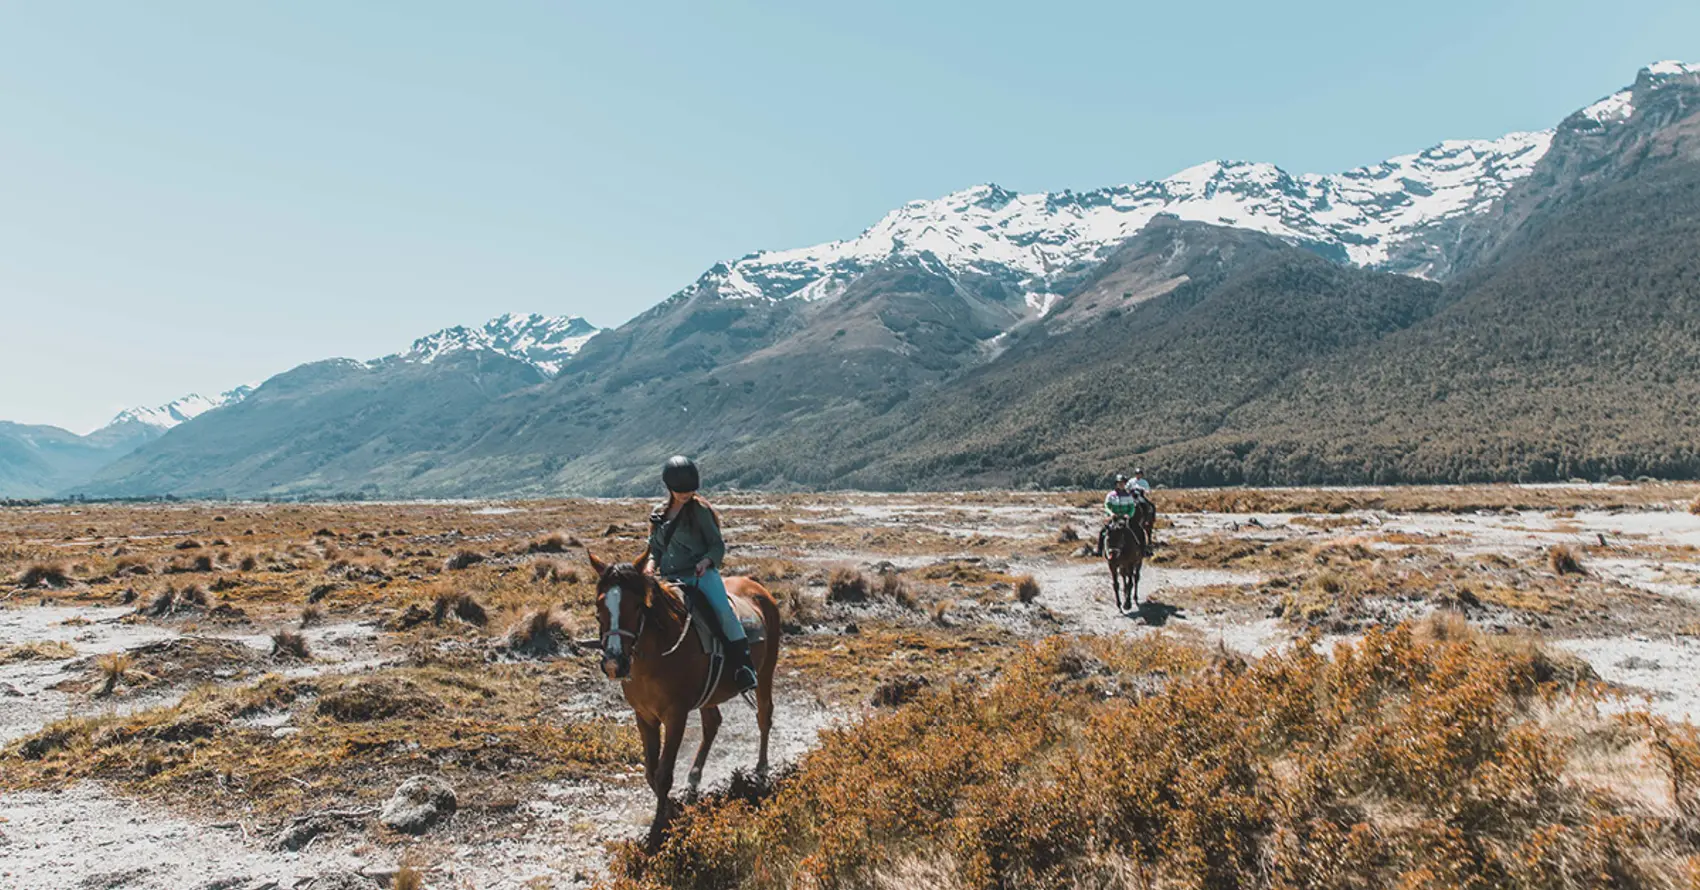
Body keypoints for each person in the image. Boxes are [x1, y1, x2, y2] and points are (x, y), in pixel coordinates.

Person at [644, 455, 758, 693]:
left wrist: (706, 561)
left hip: (698, 575)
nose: (686, 494)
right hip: (668, 578)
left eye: (689, 490)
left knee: (723, 612)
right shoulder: (659, 513)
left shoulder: (700, 511)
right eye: (680, 490)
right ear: (669, 488)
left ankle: (743, 666)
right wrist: (650, 565)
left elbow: (717, 545)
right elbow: (654, 548)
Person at [1097, 473, 1141, 557]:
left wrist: (1128, 514)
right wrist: (1111, 513)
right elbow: (1107, 506)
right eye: (1119, 483)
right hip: (1114, 518)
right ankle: (1099, 551)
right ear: (1116, 484)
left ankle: (1141, 549)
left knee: (1138, 531)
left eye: (1123, 483)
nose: (1121, 485)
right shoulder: (1110, 495)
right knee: (1103, 531)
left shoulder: (1128, 495)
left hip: (1125, 518)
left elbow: (1132, 507)